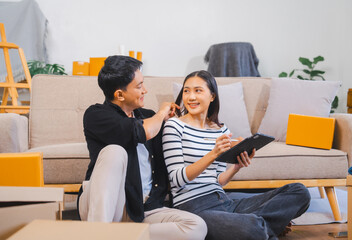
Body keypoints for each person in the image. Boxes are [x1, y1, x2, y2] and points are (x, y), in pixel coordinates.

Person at [162, 70, 311, 240]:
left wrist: (236, 168)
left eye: (198, 90)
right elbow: (176, 179)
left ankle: (256, 226)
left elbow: (219, 180)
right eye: (186, 91)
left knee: (299, 192)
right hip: (195, 208)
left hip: (224, 202)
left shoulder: (221, 130)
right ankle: (263, 226)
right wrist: (213, 154)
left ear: (212, 96)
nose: (190, 97)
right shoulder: (174, 126)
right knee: (251, 229)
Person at [77, 56, 207, 240]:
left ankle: (117, 236)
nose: (145, 90)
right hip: (108, 207)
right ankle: (98, 234)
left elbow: (178, 149)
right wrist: (161, 114)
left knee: (196, 227)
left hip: (143, 209)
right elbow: (140, 132)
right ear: (119, 94)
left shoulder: (149, 117)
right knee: (115, 151)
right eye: (139, 86)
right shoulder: (96, 115)